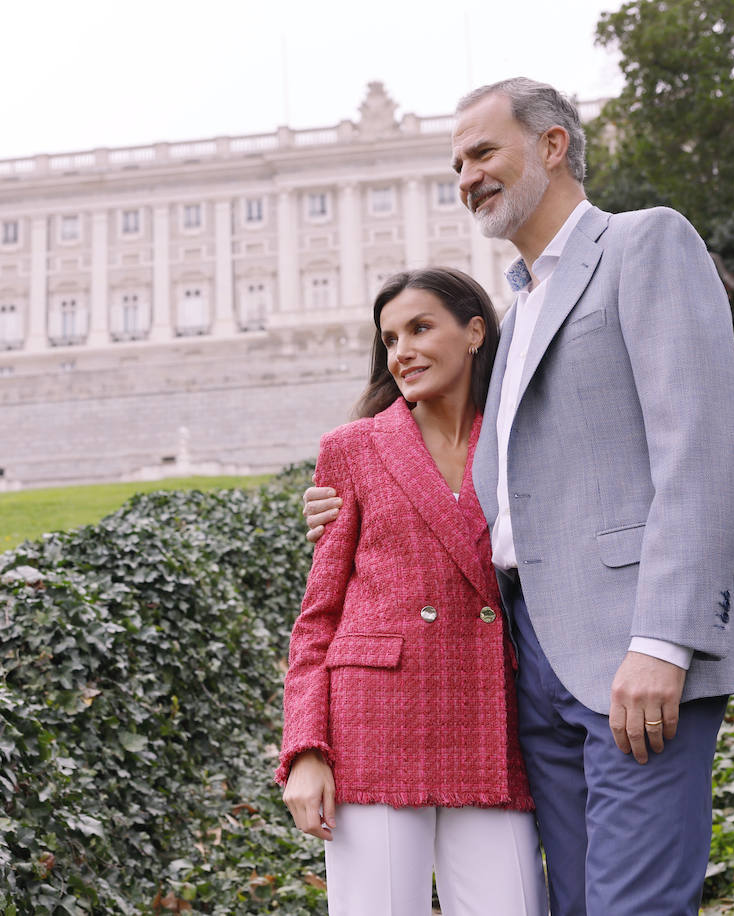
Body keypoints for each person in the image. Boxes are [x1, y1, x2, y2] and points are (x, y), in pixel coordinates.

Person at [304, 77, 734, 915]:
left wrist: (663, 639)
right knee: (576, 903)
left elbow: (703, 450)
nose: (466, 175)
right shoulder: (517, 310)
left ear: (551, 146)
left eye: (482, 153)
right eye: (456, 163)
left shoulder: (644, 243)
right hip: (529, 662)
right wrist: (348, 505)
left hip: (629, 642)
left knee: (635, 906)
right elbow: (500, 485)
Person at [279, 267, 547, 915]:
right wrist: (306, 750)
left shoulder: (523, 439)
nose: (402, 350)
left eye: (421, 328)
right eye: (390, 338)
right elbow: (318, 618)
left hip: (489, 719)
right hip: (373, 725)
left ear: (475, 331)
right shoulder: (353, 450)